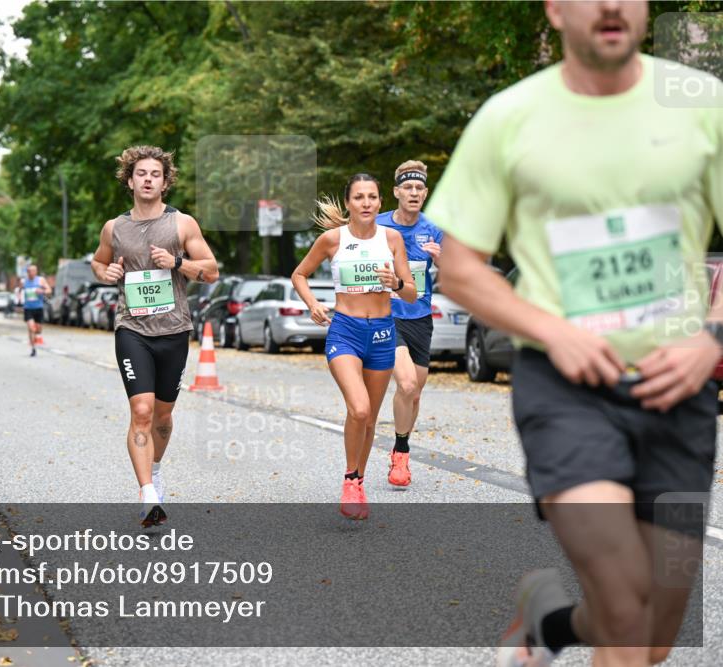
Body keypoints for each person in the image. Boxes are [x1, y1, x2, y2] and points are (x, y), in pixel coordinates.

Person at [429, 2, 723, 665]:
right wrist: (552, 331)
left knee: (650, 634)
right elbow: (458, 267)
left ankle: (546, 620)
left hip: (680, 392)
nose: (613, 6)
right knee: (625, 604)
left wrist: (712, 336)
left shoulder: (703, 104)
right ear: (556, 9)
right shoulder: (510, 118)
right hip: (566, 391)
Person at [91, 145, 219, 527]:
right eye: (141, 174)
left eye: (155, 174)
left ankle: (156, 470)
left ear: (165, 183)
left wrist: (177, 262)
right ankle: (148, 494)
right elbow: (99, 261)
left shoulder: (182, 225)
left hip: (174, 330)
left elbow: (211, 271)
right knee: (141, 411)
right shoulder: (115, 228)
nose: (148, 179)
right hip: (132, 329)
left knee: (162, 417)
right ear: (130, 181)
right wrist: (105, 274)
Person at [292, 174, 416, 520]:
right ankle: (350, 478)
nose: (366, 203)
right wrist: (313, 304)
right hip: (344, 330)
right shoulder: (332, 239)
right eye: (359, 197)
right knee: (359, 409)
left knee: (371, 418)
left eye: (372, 197)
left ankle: (358, 483)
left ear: (379, 203)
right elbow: (299, 274)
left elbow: (411, 293)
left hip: (381, 332)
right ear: (348, 203)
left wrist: (398, 282)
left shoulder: (392, 239)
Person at [375, 161, 443, 487]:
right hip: (386, 315)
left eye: (419, 189)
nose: (414, 193)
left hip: (420, 316)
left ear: (425, 193)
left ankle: (400, 446)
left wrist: (442, 260)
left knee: (414, 395)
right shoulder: (378, 224)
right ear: (397, 192)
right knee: (406, 385)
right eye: (408, 188)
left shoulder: (435, 228)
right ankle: (401, 457)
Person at [20, 265, 50, 356]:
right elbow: (19, 292)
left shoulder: (41, 280)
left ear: (36, 272)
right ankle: (33, 348)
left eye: (34, 271)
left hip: (38, 308)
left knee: (38, 329)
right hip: (28, 308)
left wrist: (42, 291)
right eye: (30, 271)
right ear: (27, 272)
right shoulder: (23, 281)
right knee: (31, 327)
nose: (32, 273)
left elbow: (49, 290)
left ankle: (36, 336)